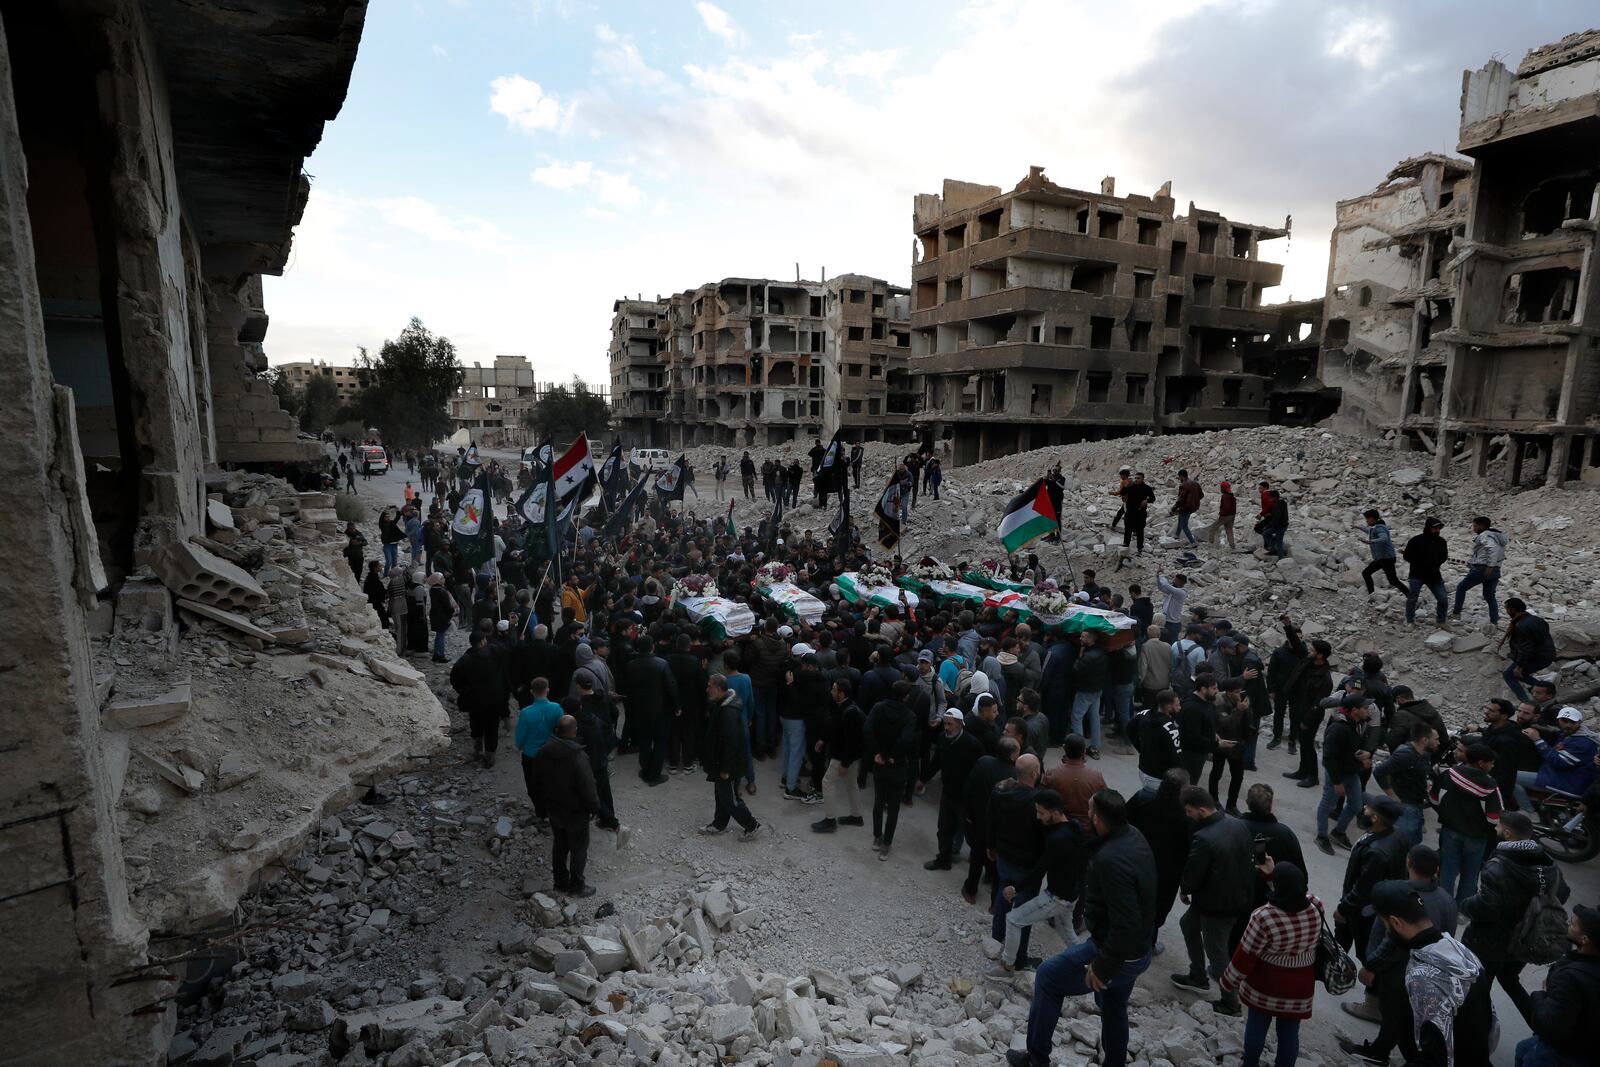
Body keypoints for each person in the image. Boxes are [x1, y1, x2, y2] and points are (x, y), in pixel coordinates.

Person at [1010, 789, 1155, 1067]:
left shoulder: (1110, 861)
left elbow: (1125, 922)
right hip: (1138, 950)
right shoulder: (1134, 837)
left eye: (1090, 812)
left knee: (1048, 977)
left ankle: (1036, 1060)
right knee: (1114, 1006)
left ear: (1098, 819)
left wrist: (1104, 966)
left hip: (1115, 951)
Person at [1460, 810, 1570, 1027]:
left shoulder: (1497, 867)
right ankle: (1541, 1026)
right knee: (1509, 978)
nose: (1495, 829)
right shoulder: (1548, 865)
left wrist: (1464, 904)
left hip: (1491, 943)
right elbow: (1562, 893)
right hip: (1526, 940)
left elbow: (1487, 908)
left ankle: (1477, 1035)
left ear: (1508, 834)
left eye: (1498, 827)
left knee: (1480, 987)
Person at [1365, 881, 1491, 1067]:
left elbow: (1432, 1060)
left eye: (1385, 924)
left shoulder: (1423, 979)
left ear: (1396, 923)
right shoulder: (1463, 953)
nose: (1386, 929)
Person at [1219, 860, 1324, 1067]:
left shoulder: (1264, 916)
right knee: (1289, 1033)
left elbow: (1245, 956)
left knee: (1257, 1027)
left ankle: (1250, 1064)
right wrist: (1270, 876)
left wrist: (1227, 982)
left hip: (1266, 983)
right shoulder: (1316, 905)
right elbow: (1292, 893)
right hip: (1300, 985)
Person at [1170, 786, 1254, 1015]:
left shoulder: (1204, 837)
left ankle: (1231, 1003)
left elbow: (1194, 871)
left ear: (1202, 810)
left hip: (1216, 905)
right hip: (1233, 897)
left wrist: (1185, 889)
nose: (1187, 816)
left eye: (1189, 811)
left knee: (1217, 955)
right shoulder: (1238, 824)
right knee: (1188, 925)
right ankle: (1197, 975)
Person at [993, 791, 1084, 976]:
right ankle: (1087, 966)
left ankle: (1007, 966)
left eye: (1041, 813)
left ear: (1056, 812)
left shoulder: (1057, 840)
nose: (1037, 816)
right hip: (1072, 894)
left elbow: (1038, 871)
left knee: (1013, 920)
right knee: (1068, 934)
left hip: (1056, 897)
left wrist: (1014, 889)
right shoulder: (1075, 826)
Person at [1515, 904, 1600, 1067]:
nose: (1568, 923)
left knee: (1527, 1056)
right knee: (1522, 1049)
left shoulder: (1571, 978)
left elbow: (1549, 1025)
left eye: (1573, 923)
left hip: (1561, 1053)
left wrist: (1541, 995)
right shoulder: (1586, 965)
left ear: (1584, 939)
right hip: (1584, 1047)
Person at [1334, 794, 1409, 971]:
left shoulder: (1377, 853)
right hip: (1370, 907)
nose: (1364, 810)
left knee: (1366, 953)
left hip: (1364, 912)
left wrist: (1343, 908)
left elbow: (1362, 889)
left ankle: (1372, 992)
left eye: (1367, 808)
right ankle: (1336, 968)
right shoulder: (1396, 834)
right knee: (1342, 941)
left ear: (1375, 818)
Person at [532, 715, 600, 897]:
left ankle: (560, 881)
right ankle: (577, 886)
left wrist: (542, 805)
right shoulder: (578, 757)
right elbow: (588, 786)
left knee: (560, 845)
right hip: (575, 811)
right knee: (579, 848)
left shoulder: (543, 752)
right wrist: (594, 808)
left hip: (554, 808)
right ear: (574, 731)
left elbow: (536, 780)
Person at [988, 754, 1045, 962]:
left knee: (1004, 893)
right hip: (1028, 862)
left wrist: (991, 846)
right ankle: (1019, 956)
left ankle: (996, 938)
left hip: (1005, 853)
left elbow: (991, 820)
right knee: (1025, 909)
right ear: (1034, 773)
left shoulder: (1000, 792)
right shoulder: (1037, 801)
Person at [1435, 741, 1504, 904]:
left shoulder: (1449, 774)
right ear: (1481, 763)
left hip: (1450, 831)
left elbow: (1434, 798)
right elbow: (1494, 817)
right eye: (1491, 763)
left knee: (1448, 871)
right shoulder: (1491, 786)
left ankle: (1443, 905)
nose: (1492, 766)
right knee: (1471, 873)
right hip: (1476, 837)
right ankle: (1464, 908)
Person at [699, 674, 761, 839]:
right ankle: (719, 823)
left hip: (728, 765)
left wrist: (725, 768)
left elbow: (730, 743)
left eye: (709, 686)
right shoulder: (723, 705)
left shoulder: (728, 712)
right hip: (721, 762)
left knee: (730, 798)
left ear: (718, 689)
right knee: (721, 794)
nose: (707, 689)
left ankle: (751, 825)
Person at [862, 679, 917, 859]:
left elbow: (868, 730)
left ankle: (877, 837)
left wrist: (878, 752)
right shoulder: (909, 716)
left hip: (880, 762)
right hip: (897, 765)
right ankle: (886, 843)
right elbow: (906, 740)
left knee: (878, 801)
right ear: (905, 697)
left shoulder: (879, 708)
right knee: (893, 807)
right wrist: (894, 756)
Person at [961, 736, 1019, 904]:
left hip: (980, 821)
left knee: (977, 856)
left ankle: (971, 890)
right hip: (1001, 826)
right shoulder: (1015, 773)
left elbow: (969, 788)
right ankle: (995, 901)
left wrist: (969, 813)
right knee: (996, 862)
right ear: (1012, 756)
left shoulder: (984, 763)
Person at [1313, 694, 1373, 854]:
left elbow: (1350, 749)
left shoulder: (1358, 724)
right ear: (1354, 710)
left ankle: (1338, 832)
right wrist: (1337, 782)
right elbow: (1329, 757)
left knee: (1356, 805)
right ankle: (1321, 836)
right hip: (1337, 773)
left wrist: (1363, 758)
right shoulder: (1339, 728)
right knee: (1328, 804)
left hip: (1351, 771)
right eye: (1365, 708)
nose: (1369, 711)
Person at [923, 707, 983, 867]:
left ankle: (979, 863)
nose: (947, 728)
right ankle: (944, 859)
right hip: (948, 793)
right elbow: (936, 762)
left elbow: (979, 772)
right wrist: (923, 779)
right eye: (945, 724)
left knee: (970, 832)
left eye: (950, 724)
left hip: (965, 797)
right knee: (944, 828)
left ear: (960, 724)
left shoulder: (973, 745)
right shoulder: (943, 738)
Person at [621, 636, 679, 786]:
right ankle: (654, 773)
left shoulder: (631, 665)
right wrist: (677, 706)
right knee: (660, 741)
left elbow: (628, 688)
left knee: (645, 740)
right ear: (652, 647)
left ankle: (646, 768)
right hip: (660, 711)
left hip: (639, 710)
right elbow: (671, 687)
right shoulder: (662, 664)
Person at [813, 679, 867, 833]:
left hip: (842, 755)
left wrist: (844, 763)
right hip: (847, 755)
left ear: (841, 693)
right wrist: (824, 739)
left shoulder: (849, 712)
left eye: (834, 689)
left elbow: (853, 742)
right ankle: (856, 816)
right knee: (851, 783)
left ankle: (830, 820)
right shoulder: (845, 707)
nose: (831, 691)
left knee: (827, 782)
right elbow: (835, 727)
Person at [1374, 721, 1439, 846]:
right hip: (1406, 806)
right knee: (1399, 844)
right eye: (1436, 739)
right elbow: (1379, 771)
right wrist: (1391, 794)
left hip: (1417, 805)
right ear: (1424, 740)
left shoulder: (1424, 755)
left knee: (1414, 841)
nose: (1438, 742)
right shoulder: (1405, 755)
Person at [451, 632, 510, 767]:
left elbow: (454, 679)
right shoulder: (495, 654)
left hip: (475, 701)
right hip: (494, 700)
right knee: (492, 728)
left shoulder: (465, 660)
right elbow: (509, 650)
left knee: (476, 725)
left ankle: (477, 751)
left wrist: (465, 691)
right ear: (483, 642)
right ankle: (490, 757)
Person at [572, 673, 619, 831]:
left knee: (595, 782)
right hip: (606, 738)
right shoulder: (603, 696)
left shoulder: (582, 706)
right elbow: (616, 712)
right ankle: (606, 813)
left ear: (578, 686)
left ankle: (604, 815)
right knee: (603, 777)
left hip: (593, 745)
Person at [1283, 639, 1333, 785]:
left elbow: (1319, 703)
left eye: (1312, 650)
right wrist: (1287, 626)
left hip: (1311, 715)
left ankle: (1313, 776)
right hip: (1299, 709)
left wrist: (1307, 719)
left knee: (1308, 744)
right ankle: (1302, 770)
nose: (1309, 652)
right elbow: (1298, 646)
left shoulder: (1325, 678)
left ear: (1320, 655)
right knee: (1303, 743)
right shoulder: (1307, 663)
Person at [1525, 706, 1599, 797]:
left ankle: (1527, 810)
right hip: (1558, 776)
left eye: (1573, 722)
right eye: (1564, 721)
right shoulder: (1569, 734)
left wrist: (1538, 740)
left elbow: (1560, 762)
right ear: (1558, 721)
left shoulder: (1583, 742)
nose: (1568, 725)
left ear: (1579, 722)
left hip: (1567, 783)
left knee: (1511, 777)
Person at [512, 675, 562, 799]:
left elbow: (521, 733)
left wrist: (518, 747)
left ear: (531, 692)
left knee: (533, 784)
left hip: (531, 753)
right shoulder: (557, 708)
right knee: (552, 782)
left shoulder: (526, 712)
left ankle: (540, 812)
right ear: (547, 690)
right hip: (551, 752)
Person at [1498, 597, 1556, 703]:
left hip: (1536, 656)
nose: (1507, 612)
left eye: (1507, 609)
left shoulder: (1521, 626)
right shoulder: (1538, 620)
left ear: (1513, 610)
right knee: (1522, 674)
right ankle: (1546, 692)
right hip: (1548, 654)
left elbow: (1526, 649)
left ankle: (1526, 702)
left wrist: (1519, 666)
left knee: (1509, 675)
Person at [1452, 514, 1507, 625]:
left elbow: (1492, 549)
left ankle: (1456, 613)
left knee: (1461, 588)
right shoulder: (1498, 536)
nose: (1473, 528)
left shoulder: (1485, 535)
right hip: (1496, 570)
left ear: (1481, 526)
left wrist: (1489, 566)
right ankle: (1494, 620)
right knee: (1490, 596)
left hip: (1483, 568)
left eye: (1475, 526)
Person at [1040, 734, 1104, 826]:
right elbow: (1104, 804)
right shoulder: (1096, 777)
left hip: (1059, 826)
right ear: (1084, 752)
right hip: (1087, 829)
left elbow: (1042, 801)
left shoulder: (1051, 774)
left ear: (1064, 748)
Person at [1130, 690, 1183, 791]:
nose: (1179, 708)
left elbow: (1130, 729)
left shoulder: (1144, 714)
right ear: (1168, 707)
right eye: (1177, 705)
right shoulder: (1171, 729)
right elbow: (1176, 757)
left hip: (1143, 769)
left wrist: (1142, 748)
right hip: (1159, 776)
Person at [1402, 517, 1450, 627]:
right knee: (1412, 598)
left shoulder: (1441, 542)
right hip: (1416, 574)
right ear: (1428, 527)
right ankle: (1410, 621)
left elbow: (1444, 556)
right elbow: (1407, 556)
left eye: (1439, 528)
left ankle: (1441, 621)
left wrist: (1434, 563)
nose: (1437, 530)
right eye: (1435, 528)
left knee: (1443, 599)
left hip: (1434, 575)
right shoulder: (1415, 540)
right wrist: (1421, 562)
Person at [1070, 631, 1108, 758]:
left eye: (1083, 636)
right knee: (1094, 717)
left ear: (1091, 639)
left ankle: (1078, 749)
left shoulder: (1087, 656)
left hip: (1086, 691)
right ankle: (1095, 747)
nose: (1080, 638)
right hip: (1097, 689)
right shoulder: (1102, 652)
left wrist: (1080, 656)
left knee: (1076, 717)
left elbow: (1076, 670)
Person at [1178, 674, 1219, 781]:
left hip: (1201, 753)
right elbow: (1193, 737)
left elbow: (1207, 723)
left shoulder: (1207, 703)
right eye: (1214, 688)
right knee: (1189, 783)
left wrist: (1214, 734)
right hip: (1191, 755)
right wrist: (1216, 744)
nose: (1217, 691)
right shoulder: (1192, 709)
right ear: (1203, 689)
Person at [1356, 509, 1406, 597]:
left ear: (1371, 519)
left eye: (1367, 519)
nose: (1366, 521)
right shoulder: (1375, 527)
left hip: (1387, 559)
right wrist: (1358, 527)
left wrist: (1369, 542)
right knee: (1366, 573)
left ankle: (1411, 596)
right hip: (1381, 558)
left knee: (1393, 581)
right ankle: (1372, 595)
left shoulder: (1380, 528)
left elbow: (1384, 538)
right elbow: (1368, 531)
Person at [1122, 471, 1155, 554]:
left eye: (1138, 478)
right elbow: (1122, 493)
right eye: (1135, 478)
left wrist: (1146, 500)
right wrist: (1126, 486)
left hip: (1140, 512)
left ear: (1143, 479)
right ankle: (1125, 546)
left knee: (1140, 530)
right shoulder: (1131, 486)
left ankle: (1139, 548)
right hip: (1130, 512)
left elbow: (1153, 498)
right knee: (1128, 529)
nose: (1136, 480)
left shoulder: (1146, 488)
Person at [1171, 469, 1202, 546]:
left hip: (1186, 507)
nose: (1179, 479)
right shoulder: (1196, 484)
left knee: (1184, 525)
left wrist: (1174, 508)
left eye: (1179, 477)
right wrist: (1194, 501)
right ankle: (1176, 535)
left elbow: (1181, 499)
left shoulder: (1183, 485)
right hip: (1194, 506)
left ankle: (1193, 542)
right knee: (1180, 518)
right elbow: (1202, 495)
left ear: (1181, 476)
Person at [1206, 480, 1237, 551]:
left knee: (1212, 528)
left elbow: (1226, 507)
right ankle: (1232, 546)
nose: (1220, 489)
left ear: (1223, 488)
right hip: (1232, 515)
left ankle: (1211, 544)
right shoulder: (1231, 495)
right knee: (1229, 530)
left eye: (1221, 488)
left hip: (1225, 516)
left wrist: (1221, 514)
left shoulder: (1225, 496)